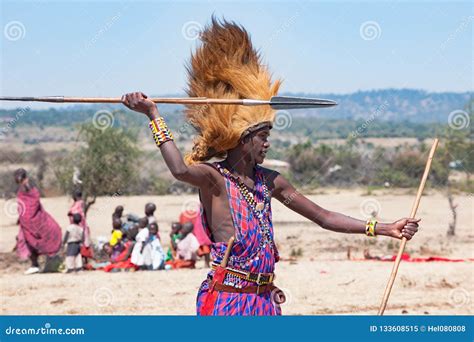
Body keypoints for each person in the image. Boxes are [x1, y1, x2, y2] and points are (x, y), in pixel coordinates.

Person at [121, 18, 420, 316]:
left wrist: (382, 228)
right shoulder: (215, 179)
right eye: (262, 137)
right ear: (242, 138)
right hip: (229, 302)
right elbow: (180, 170)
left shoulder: (271, 182)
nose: (267, 144)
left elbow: (324, 217)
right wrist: (153, 115)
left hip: (264, 301)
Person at [14, 168, 62, 275]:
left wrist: (28, 217)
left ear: (26, 178)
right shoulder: (21, 191)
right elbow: (22, 206)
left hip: (36, 220)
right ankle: (34, 264)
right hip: (25, 223)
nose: (21, 183)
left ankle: (52, 262)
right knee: (26, 241)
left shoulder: (30, 189)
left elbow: (33, 203)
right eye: (19, 182)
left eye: (22, 180)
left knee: (46, 237)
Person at [67, 189, 92, 261]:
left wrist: (71, 214)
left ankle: (83, 261)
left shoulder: (79, 203)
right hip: (81, 226)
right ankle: (83, 261)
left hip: (79, 226)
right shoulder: (80, 203)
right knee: (83, 242)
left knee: (81, 243)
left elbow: (77, 213)